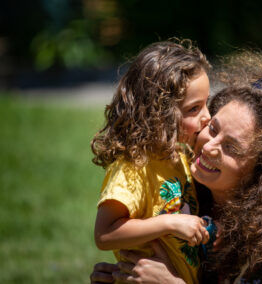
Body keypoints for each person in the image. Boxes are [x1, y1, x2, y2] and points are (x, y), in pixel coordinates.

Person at [90, 52, 262, 283]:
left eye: (231, 148)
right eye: (213, 128)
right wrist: (123, 274)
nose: (208, 146)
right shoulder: (192, 192)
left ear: (261, 172)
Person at [91, 39, 213, 284]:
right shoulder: (132, 169)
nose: (207, 116)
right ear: (158, 114)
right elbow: (105, 235)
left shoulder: (179, 156)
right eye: (194, 109)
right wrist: (168, 223)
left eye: (206, 104)